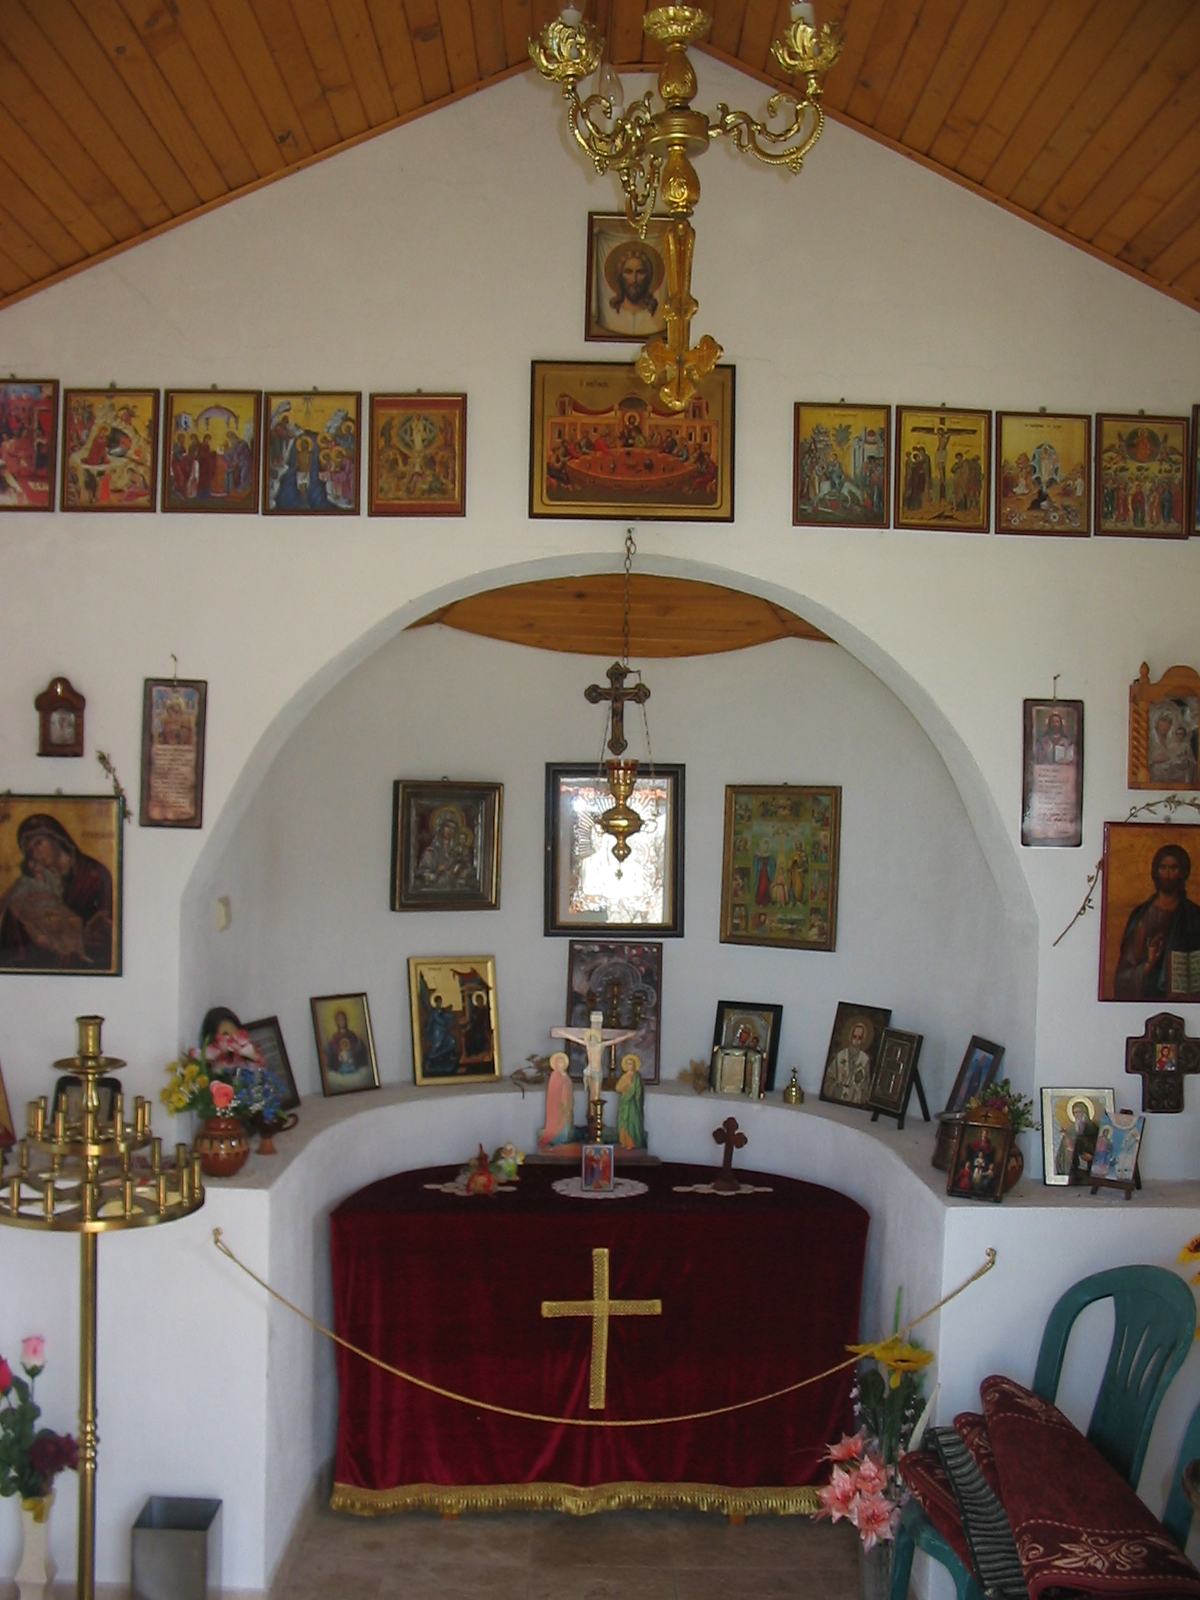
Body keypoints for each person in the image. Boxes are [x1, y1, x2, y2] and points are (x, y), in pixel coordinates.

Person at [0, 812, 113, 970]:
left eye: (39, 843)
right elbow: (12, 948)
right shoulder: (31, 884)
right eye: (30, 851)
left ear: (57, 838)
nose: (36, 853)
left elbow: (109, 936)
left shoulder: (95, 875)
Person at [1114, 843, 1200, 1000]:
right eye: (1163, 868)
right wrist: (1149, 964)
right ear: (1155, 872)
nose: (1167, 874)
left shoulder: (1195, 916)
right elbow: (1125, 973)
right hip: (1147, 996)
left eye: (1173, 868)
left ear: (1183, 872)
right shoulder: (1141, 916)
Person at [601, 241, 663, 337]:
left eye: (640, 272)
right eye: (628, 272)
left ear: (648, 276)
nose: (634, 279)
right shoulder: (610, 317)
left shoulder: (657, 317)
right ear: (620, 276)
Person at [538, 1052, 578, 1150]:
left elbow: (568, 1089)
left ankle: (565, 1139)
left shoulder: (565, 1076)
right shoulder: (555, 1076)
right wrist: (562, 1102)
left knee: (567, 1123)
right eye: (559, 1062)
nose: (561, 1064)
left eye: (562, 1062)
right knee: (558, 1123)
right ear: (555, 1064)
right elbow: (554, 1092)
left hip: (567, 1105)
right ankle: (557, 1139)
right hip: (558, 1105)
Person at [830, 1019, 872, 1104]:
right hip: (838, 1096)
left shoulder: (865, 1059)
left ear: (863, 1039)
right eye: (854, 1036)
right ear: (850, 1036)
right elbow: (829, 1078)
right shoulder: (840, 1056)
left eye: (860, 1038)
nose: (856, 1041)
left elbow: (866, 1086)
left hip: (855, 1099)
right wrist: (837, 1084)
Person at [324, 1009, 369, 1076]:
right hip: (340, 1064)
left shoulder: (351, 1034)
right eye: (339, 1020)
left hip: (352, 1062)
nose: (341, 1022)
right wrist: (329, 1047)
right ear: (336, 1022)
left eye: (343, 1019)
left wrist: (359, 1042)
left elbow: (356, 1046)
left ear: (346, 1020)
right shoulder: (335, 1036)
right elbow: (332, 1048)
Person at [615, 1052, 645, 1149]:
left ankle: (632, 1143)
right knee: (623, 1122)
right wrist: (625, 1086)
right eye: (627, 1064)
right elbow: (618, 1088)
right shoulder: (624, 1076)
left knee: (632, 1122)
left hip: (632, 1103)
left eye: (630, 1064)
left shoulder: (637, 1077)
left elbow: (638, 1090)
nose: (629, 1066)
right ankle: (623, 1141)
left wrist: (631, 1091)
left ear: (634, 1065)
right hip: (624, 1102)